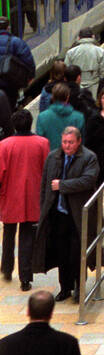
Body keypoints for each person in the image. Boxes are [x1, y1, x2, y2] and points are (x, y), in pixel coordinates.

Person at [33, 125, 99, 302]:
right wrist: (43, 209)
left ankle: (79, 286)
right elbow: (45, 186)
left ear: (79, 142)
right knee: (61, 252)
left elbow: (88, 180)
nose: (67, 146)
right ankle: (65, 287)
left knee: (77, 252)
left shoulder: (89, 158)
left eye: (70, 142)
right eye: (64, 142)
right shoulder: (53, 157)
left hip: (77, 213)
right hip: (58, 213)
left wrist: (63, 185)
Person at [0, 109, 49, 290]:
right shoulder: (42, 143)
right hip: (33, 197)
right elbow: (46, 171)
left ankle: (6, 267)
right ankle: (25, 277)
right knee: (28, 236)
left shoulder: (4, 145)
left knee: (8, 232)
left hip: (10, 197)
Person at [35, 81, 84, 153]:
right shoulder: (79, 117)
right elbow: (81, 143)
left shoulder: (42, 117)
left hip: (50, 160)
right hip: (73, 159)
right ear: (67, 97)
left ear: (53, 97)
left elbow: (39, 144)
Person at [0, 15, 35, 103]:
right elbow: (28, 61)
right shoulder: (16, 42)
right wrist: (30, 77)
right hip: (10, 84)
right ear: (8, 27)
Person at [64, 28, 104, 97]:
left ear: (79, 38)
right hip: (95, 86)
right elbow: (103, 72)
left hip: (76, 88)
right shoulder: (101, 52)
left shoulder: (70, 53)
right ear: (93, 37)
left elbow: (66, 70)